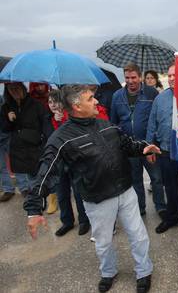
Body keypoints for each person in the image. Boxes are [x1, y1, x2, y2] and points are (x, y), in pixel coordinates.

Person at [24, 84, 159, 293]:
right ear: (76, 106)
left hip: (125, 191)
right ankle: (108, 272)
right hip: (98, 199)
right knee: (103, 243)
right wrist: (33, 209)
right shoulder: (61, 138)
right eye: (90, 99)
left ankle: (144, 271)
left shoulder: (106, 125)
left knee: (139, 235)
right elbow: (46, 172)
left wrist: (142, 148)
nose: (96, 101)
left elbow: (126, 144)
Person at [146, 60, 178, 234]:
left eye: (175, 75)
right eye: (170, 75)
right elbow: (152, 123)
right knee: (171, 188)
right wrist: (149, 147)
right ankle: (172, 217)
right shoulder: (160, 98)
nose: (172, 78)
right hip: (166, 151)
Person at [111, 63, 164, 217]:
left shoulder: (151, 93)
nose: (130, 81)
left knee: (156, 178)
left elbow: (156, 120)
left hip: (148, 144)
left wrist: (152, 145)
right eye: (127, 77)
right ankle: (140, 208)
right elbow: (114, 123)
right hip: (129, 148)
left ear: (140, 77)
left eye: (133, 77)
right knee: (135, 180)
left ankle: (160, 206)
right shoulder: (117, 96)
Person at [47, 90, 90, 236]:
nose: (53, 105)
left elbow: (74, 135)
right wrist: (54, 121)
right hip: (58, 161)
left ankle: (84, 220)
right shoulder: (48, 118)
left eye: (56, 101)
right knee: (62, 193)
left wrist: (62, 121)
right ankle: (67, 221)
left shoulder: (70, 116)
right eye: (50, 102)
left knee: (78, 191)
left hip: (73, 159)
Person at [0, 82, 52, 201]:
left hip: (35, 145)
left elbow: (45, 124)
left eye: (16, 88)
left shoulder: (35, 104)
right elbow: (4, 129)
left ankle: (39, 199)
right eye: (11, 89)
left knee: (37, 175)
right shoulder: (6, 107)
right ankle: (35, 201)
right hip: (18, 148)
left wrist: (46, 141)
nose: (14, 91)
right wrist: (9, 120)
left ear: (22, 88)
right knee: (28, 176)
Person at [0, 94, 17, 202]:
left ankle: (25, 187)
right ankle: (8, 189)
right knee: (1, 165)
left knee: (16, 161)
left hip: (6, 132)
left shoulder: (3, 98)